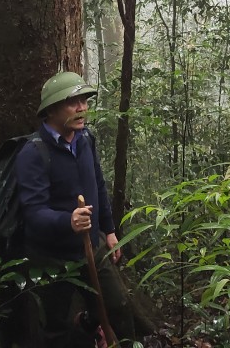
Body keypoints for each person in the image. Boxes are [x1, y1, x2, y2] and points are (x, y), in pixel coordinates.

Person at [16, 70, 143, 347]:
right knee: (55, 327)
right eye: (73, 102)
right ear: (51, 109)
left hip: (92, 245)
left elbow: (98, 184)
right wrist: (68, 220)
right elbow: (33, 212)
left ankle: (88, 324)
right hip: (51, 257)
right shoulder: (33, 153)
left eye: (84, 101)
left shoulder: (85, 139)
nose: (82, 107)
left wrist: (109, 230)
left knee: (118, 306)